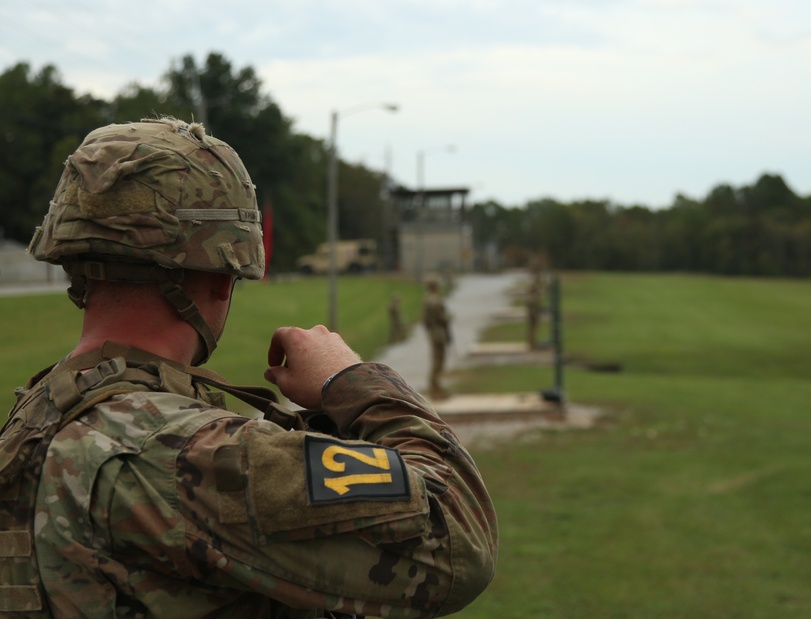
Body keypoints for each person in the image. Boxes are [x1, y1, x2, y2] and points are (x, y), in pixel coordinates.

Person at [0, 119, 497, 618]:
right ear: (221, 275)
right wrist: (354, 383)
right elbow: (458, 541)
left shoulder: (35, 418)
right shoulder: (184, 451)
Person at [421, 278, 452, 400]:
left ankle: (436, 386)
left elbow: (425, 321)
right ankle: (435, 387)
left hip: (434, 332)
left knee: (437, 360)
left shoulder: (427, 300)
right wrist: (448, 318)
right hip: (439, 333)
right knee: (439, 360)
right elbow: (441, 318)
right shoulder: (434, 301)